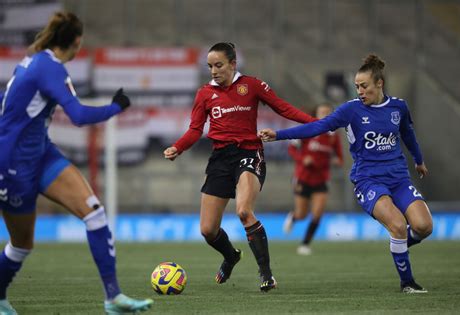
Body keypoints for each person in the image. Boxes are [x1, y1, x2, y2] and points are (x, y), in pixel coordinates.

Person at [0, 12, 153, 314]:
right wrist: (115, 107)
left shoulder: (34, 61)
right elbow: (80, 117)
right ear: (77, 42)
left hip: (41, 154)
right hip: (12, 163)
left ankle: (113, 297)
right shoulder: (51, 68)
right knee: (21, 245)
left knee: (94, 213)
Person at [259, 54, 433, 294]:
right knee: (399, 226)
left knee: (424, 226)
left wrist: (419, 160)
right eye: (357, 86)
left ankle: (399, 246)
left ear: (379, 83)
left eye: (364, 86)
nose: (360, 91)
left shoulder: (398, 107)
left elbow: (408, 135)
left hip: (399, 178)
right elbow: (317, 126)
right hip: (368, 180)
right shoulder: (351, 110)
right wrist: (279, 135)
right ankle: (407, 283)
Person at [163, 42, 314, 292]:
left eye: (219, 65)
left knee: (244, 211)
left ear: (233, 64)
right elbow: (194, 130)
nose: (213, 70)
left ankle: (266, 275)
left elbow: (282, 107)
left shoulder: (252, 85)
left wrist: (318, 124)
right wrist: (178, 147)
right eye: (210, 66)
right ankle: (231, 256)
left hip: (248, 152)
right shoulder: (204, 94)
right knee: (208, 230)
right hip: (220, 158)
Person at [283, 104, 343, 255]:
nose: (325, 114)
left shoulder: (333, 136)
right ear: (315, 114)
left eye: (328, 112)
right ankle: (294, 217)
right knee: (302, 214)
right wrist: (303, 158)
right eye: (322, 112)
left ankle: (305, 244)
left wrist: (337, 161)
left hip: (322, 179)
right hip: (303, 177)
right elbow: (291, 149)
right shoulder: (308, 129)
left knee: (317, 213)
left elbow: (340, 157)